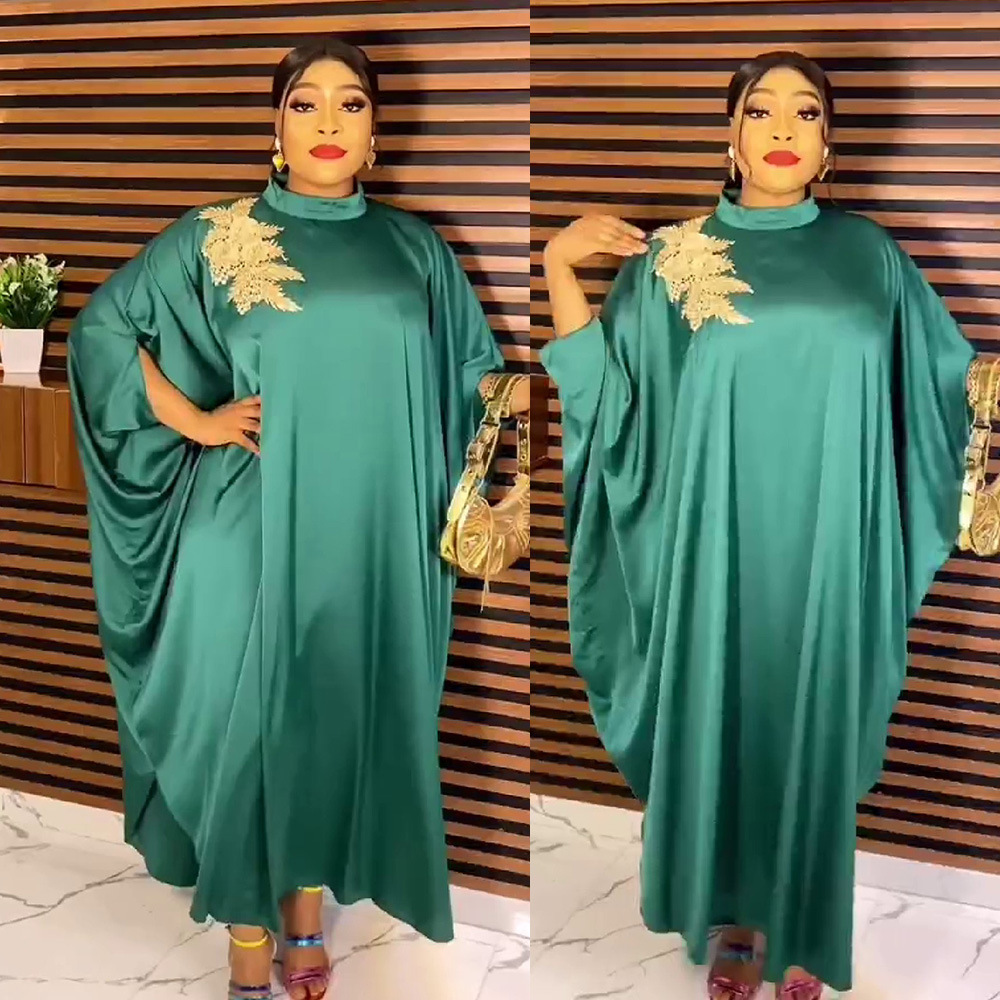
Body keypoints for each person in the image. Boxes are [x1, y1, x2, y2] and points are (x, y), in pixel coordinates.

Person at [67, 37, 527, 1000]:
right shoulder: (216, 236)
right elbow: (106, 329)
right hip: (249, 527)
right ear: (275, 127)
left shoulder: (414, 249)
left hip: (374, 541)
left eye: (350, 104)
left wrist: (549, 388)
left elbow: (474, 377)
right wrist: (198, 419)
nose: (327, 121)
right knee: (250, 731)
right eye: (304, 102)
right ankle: (249, 932)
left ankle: (306, 911)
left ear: (375, 134)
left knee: (333, 721)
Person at [540, 50, 975, 1000]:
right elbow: (611, 409)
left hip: (832, 549)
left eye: (806, 113)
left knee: (811, 721)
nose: (782, 128)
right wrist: (559, 268)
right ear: (730, 136)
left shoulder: (872, 258)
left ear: (829, 146)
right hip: (714, 552)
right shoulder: (671, 260)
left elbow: (948, 386)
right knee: (726, 716)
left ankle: (802, 921)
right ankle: (736, 916)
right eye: (761, 110)